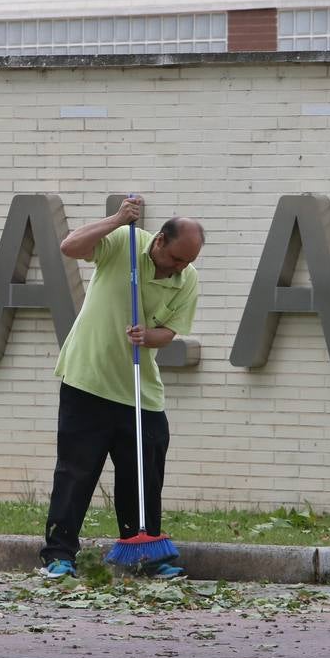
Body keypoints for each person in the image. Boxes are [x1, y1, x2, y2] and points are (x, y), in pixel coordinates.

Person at [40, 195, 205, 579]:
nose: (179, 269)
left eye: (188, 263)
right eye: (176, 259)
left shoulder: (187, 279)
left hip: (139, 389)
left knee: (144, 474)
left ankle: (144, 550)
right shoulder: (124, 242)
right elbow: (71, 246)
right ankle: (58, 555)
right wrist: (116, 219)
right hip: (88, 380)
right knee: (76, 472)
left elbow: (170, 332)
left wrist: (149, 336)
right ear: (160, 241)